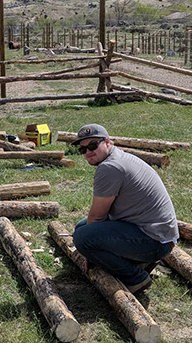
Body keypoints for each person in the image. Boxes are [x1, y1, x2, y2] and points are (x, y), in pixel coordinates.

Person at [71, 124, 178, 294]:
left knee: (83, 237)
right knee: (81, 227)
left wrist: (88, 253)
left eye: (92, 146)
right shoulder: (118, 157)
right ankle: (138, 261)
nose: (88, 152)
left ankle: (136, 278)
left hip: (155, 241)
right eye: (82, 149)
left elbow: (97, 218)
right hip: (158, 234)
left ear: (107, 142)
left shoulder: (110, 167)